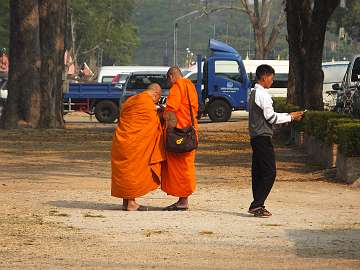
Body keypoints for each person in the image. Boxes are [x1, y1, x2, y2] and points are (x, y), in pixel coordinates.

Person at [248, 64, 303, 217]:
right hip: (262, 138)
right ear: (264, 77)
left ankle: (257, 203)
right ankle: (257, 204)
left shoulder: (253, 93)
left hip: (255, 137)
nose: (272, 81)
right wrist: (291, 117)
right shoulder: (263, 94)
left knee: (258, 172)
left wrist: (288, 114)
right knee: (269, 172)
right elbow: (271, 117)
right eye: (271, 78)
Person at [111, 83, 165, 211]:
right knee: (133, 172)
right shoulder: (146, 103)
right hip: (135, 144)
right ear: (156, 94)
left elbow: (124, 116)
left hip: (121, 141)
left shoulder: (131, 100)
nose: (157, 101)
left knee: (126, 171)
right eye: (158, 98)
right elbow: (153, 123)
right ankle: (131, 203)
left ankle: (126, 201)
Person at [162, 67, 198, 211]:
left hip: (180, 134)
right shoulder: (190, 86)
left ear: (171, 76)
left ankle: (183, 201)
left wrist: (163, 118)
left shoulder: (177, 87)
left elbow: (171, 110)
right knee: (186, 166)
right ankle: (183, 199)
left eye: (169, 80)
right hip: (191, 131)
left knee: (181, 168)